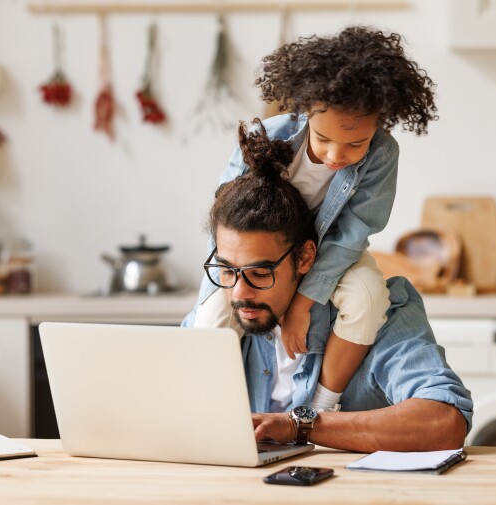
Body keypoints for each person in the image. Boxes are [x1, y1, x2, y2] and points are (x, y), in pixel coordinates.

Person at [182, 120, 472, 452]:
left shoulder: (384, 315)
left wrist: (301, 425)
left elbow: (445, 422)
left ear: (306, 258)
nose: (238, 294)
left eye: (260, 274)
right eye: (227, 271)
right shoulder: (220, 318)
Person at [192, 25, 438, 413]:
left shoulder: (383, 155)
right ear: (307, 110)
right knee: (209, 319)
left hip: (334, 249)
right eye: (323, 139)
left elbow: (354, 231)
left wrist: (304, 302)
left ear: (380, 121)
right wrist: (225, 280)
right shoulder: (270, 136)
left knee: (369, 298)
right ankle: (209, 413)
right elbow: (225, 214)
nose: (336, 155)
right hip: (267, 251)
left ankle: (322, 405)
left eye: (355, 144)